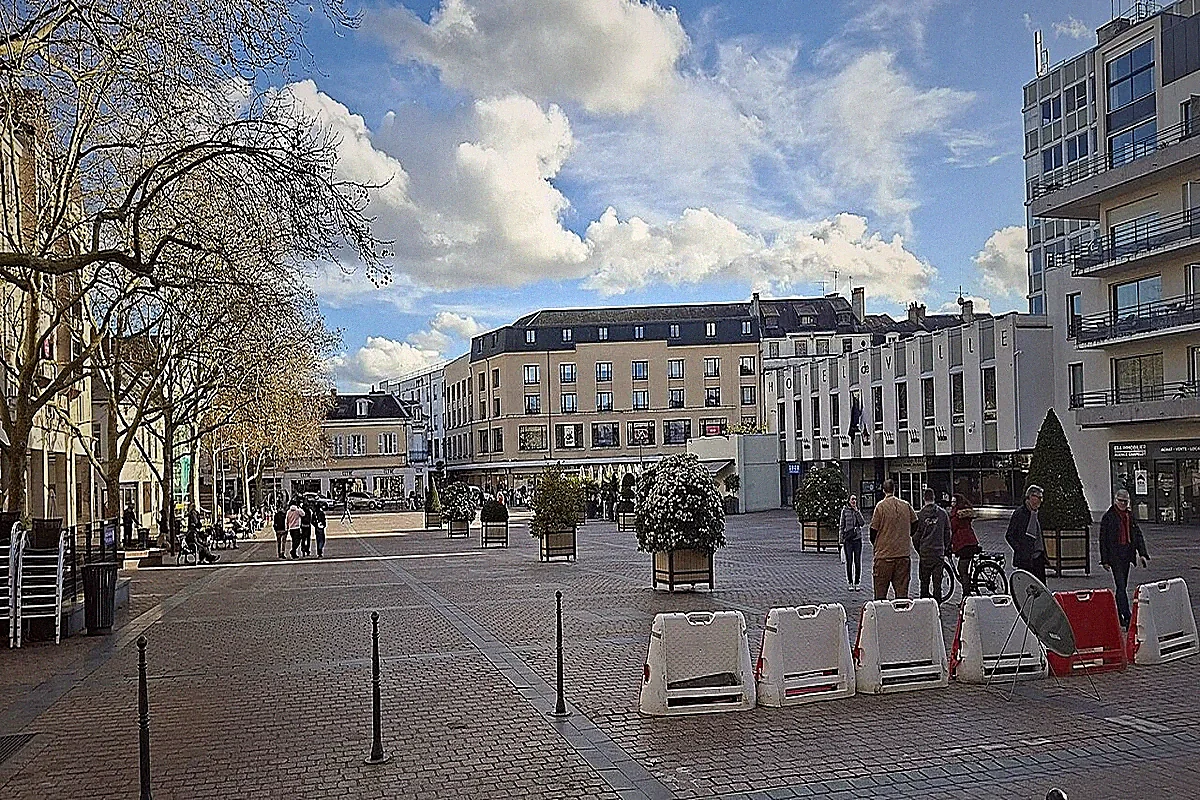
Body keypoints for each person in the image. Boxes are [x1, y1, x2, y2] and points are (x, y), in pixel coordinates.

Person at [1099, 488, 1150, 629]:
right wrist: (1105, 560)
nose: (1123, 503)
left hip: (1127, 554)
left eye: (1125, 501)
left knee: (1122, 587)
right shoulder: (1108, 517)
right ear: (1115, 501)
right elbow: (1103, 540)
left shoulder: (1129, 516)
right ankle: (1127, 617)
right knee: (1121, 586)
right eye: (1120, 501)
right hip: (1115, 555)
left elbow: (1137, 535)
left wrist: (1142, 554)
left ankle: (1120, 616)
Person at [869, 479, 918, 600]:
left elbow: (873, 530)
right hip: (903, 555)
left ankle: (882, 617)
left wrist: (877, 544)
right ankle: (901, 617)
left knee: (880, 596)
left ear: (883, 490)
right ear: (895, 489)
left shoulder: (880, 507)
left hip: (884, 556)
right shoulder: (905, 505)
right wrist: (907, 535)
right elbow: (915, 522)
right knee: (902, 594)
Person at [913, 488, 952, 601]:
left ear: (924, 498)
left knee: (924, 582)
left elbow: (915, 536)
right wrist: (944, 547)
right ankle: (937, 607)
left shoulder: (920, 515)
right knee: (937, 584)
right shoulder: (942, 514)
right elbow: (947, 533)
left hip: (925, 553)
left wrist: (919, 550)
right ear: (934, 497)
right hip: (938, 552)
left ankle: (925, 607)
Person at [1006, 485, 1047, 584]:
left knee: (1041, 587)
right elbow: (1009, 535)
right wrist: (1020, 550)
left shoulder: (1037, 513)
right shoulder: (1020, 513)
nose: (1041, 501)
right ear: (1031, 497)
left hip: (1038, 557)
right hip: (1025, 560)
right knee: (1026, 587)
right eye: (1039, 498)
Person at [950, 494, 981, 599]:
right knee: (964, 568)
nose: (952, 504)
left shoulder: (956, 515)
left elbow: (952, 528)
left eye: (953, 502)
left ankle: (966, 594)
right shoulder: (966, 513)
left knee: (962, 569)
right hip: (971, 542)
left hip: (964, 544)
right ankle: (967, 588)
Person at [838, 494, 866, 591]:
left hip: (857, 539)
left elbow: (862, 523)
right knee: (849, 561)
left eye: (855, 499)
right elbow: (841, 526)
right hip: (848, 540)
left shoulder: (857, 511)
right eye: (852, 499)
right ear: (849, 501)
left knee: (857, 561)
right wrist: (841, 540)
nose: (854, 501)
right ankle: (850, 581)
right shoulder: (845, 511)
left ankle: (857, 582)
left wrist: (857, 511)